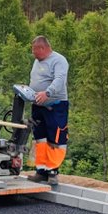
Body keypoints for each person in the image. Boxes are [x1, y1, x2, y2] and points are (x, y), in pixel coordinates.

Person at [26, 35, 69, 186]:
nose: (33, 54)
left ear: (42, 48)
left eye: (34, 51)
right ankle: (41, 170)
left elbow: (59, 79)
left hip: (55, 105)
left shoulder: (59, 60)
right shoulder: (37, 62)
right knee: (40, 138)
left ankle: (52, 171)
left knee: (54, 138)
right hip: (38, 105)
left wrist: (47, 93)